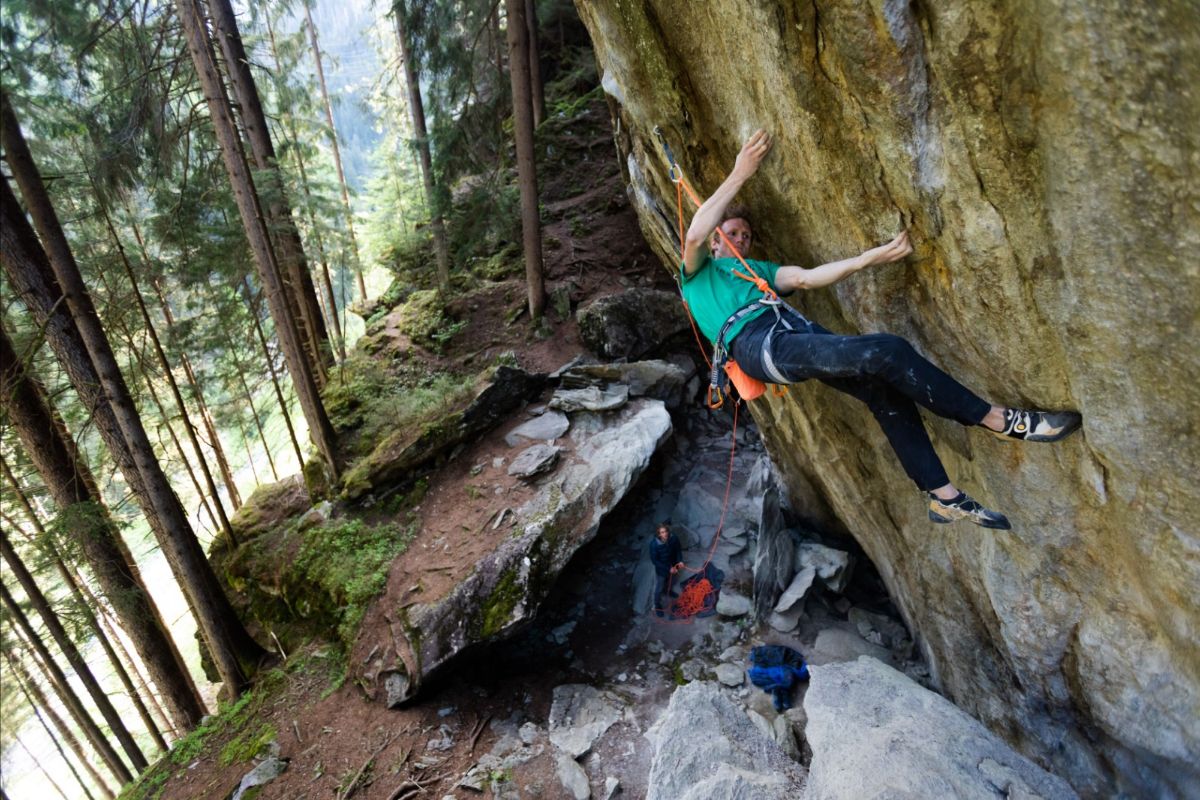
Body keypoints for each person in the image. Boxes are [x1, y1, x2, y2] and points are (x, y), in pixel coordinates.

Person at [680, 130, 1081, 530]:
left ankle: (945, 497)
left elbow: (805, 278)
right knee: (886, 350)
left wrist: (869, 258)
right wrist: (740, 173)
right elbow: (696, 233)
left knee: (882, 390)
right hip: (758, 344)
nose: (740, 239)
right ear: (717, 242)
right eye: (732, 234)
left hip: (794, 333)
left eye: (745, 236)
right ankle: (996, 419)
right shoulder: (698, 275)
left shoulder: (758, 272)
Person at [649, 523, 684, 616]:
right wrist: (668, 568)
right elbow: (655, 561)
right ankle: (657, 606)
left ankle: (668, 591)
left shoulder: (674, 538)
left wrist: (680, 561)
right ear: (659, 534)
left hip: (673, 564)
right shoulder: (654, 544)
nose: (665, 534)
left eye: (666, 531)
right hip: (662, 568)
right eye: (662, 532)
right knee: (659, 588)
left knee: (672, 580)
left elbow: (678, 550)